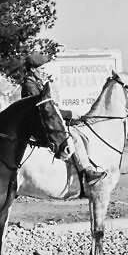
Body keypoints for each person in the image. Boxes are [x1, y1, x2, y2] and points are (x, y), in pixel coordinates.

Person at [21, 53, 106, 186]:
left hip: (45, 122)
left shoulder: (35, 83)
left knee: (78, 132)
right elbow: (47, 111)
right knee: (73, 137)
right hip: (40, 126)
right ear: (33, 69)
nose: (44, 72)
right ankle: (87, 172)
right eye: (42, 69)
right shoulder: (30, 86)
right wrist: (69, 114)